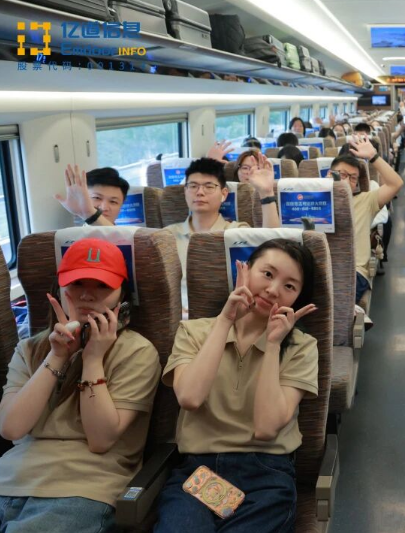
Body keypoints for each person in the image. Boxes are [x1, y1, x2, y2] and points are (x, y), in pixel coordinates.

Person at [154, 240, 319, 532]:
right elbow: (190, 397)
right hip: (199, 472)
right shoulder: (193, 331)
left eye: (289, 286)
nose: (273, 290)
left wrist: (273, 345)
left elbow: (266, 429)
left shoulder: (301, 347)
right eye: (267, 274)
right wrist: (225, 320)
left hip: (265, 473)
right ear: (244, 270)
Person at [0, 238, 160, 532]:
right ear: (59, 290)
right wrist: (57, 356)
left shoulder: (137, 352)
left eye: (101, 286)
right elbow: (11, 429)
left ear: (122, 296)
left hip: (82, 489)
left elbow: (101, 440)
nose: (87, 295)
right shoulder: (30, 349)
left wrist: (93, 358)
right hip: (9, 480)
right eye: (76, 284)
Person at [164, 157, 277, 312]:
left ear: (224, 194)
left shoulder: (236, 232)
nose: (200, 192)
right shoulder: (167, 236)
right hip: (178, 316)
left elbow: (274, 249)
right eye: (193, 186)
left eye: (209, 186)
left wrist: (266, 193)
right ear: (185, 192)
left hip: (229, 315)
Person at [330, 138, 403, 304]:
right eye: (342, 175)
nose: (346, 181)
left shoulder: (366, 201)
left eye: (353, 178)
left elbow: (396, 183)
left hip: (352, 271)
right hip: (319, 269)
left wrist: (373, 156)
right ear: (329, 174)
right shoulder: (314, 200)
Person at [55, 165, 131, 226]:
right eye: (97, 198)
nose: (104, 208)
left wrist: (90, 215)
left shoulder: (132, 237)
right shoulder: (71, 238)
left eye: (113, 202)